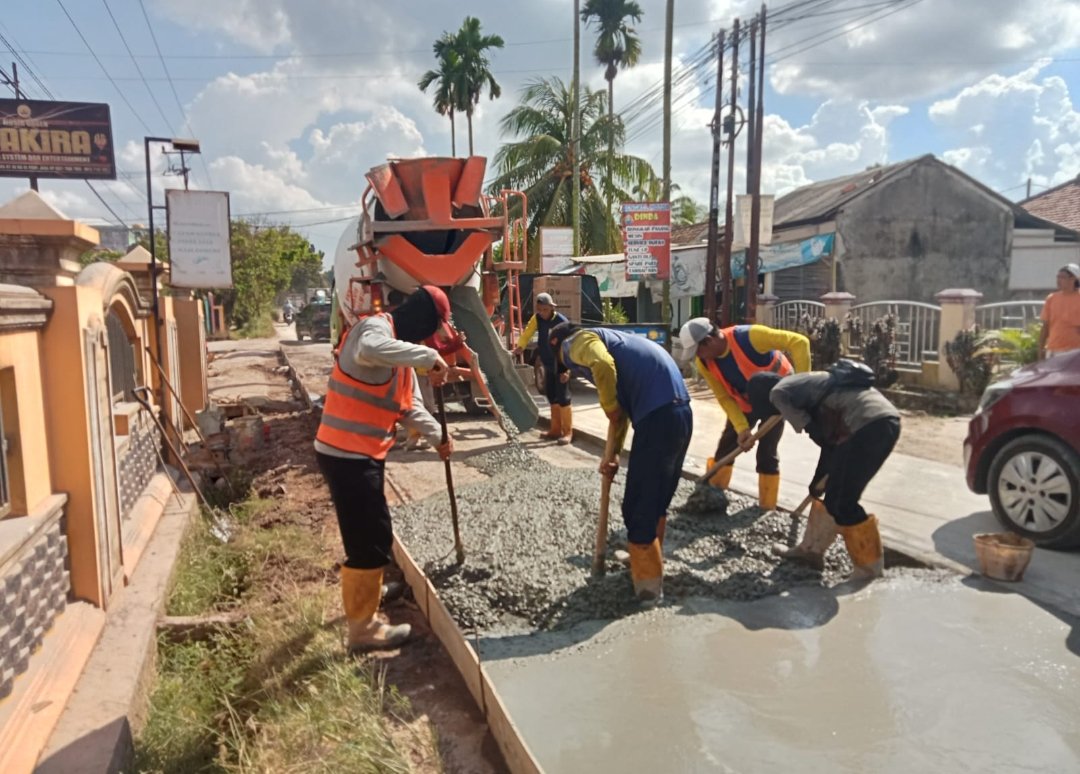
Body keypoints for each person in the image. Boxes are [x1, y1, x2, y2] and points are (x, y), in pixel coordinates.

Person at [315, 286, 453, 653]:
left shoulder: (401, 357)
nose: (428, 339)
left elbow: (408, 407)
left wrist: (439, 437)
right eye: (431, 330)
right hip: (345, 454)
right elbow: (369, 350)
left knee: (373, 531)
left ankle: (371, 592)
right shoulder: (374, 329)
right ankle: (363, 629)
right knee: (368, 539)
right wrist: (427, 356)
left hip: (362, 454)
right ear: (422, 318)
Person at [551, 321, 692, 606]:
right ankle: (650, 562)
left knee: (637, 508)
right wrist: (613, 453)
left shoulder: (575, 342)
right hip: (679, 414)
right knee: (656, 500)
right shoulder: (620, 342)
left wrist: (608, 406)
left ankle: (648, 591)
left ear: (557, 344)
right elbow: (622, 412)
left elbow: (602, 366)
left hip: (657, 417)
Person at [747, 363, 901, 581]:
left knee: (843, 502)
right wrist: (819, 479)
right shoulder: (805, 385)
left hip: (867, 426)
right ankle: (811, 552)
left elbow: (818, 433)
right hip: (881, 422)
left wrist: (820, 475)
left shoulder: (779, 393)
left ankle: (870, 572)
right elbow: (830, 442)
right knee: (834, 497)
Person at [678, 318, 811, 510]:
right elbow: (724, 397)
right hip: (745, 403)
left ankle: (767, 506)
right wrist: (741, 428)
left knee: (767, 452)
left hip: (777, 399)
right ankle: (711, 495)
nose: (698, 356)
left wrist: (801, 386)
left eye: (698, 350)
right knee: (726, 446)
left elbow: (799, 342)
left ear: (709, 340)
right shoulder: (705, 363)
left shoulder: (749, 337)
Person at [513, 292, 572, 444]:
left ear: (552, 307)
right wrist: (520, 346)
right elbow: (528, 333)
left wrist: (568, 369)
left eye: (545, 310)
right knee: (551, 394)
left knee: (563, 396)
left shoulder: (562, 322)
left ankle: (567, 432)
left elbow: (570, 346)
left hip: (561, 364)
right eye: (539, 310)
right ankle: (555, 429)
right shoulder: (537, 319)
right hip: (547, 363)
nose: (542, 313)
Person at [1039, 263, 1080, 359]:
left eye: (1062, 277)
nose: (1058, 280)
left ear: (1073, 279)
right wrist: (1040, 349)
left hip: (1075, 352)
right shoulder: (1051, 298)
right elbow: (1045, 326)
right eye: (1058, 277)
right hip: (1053, 350)